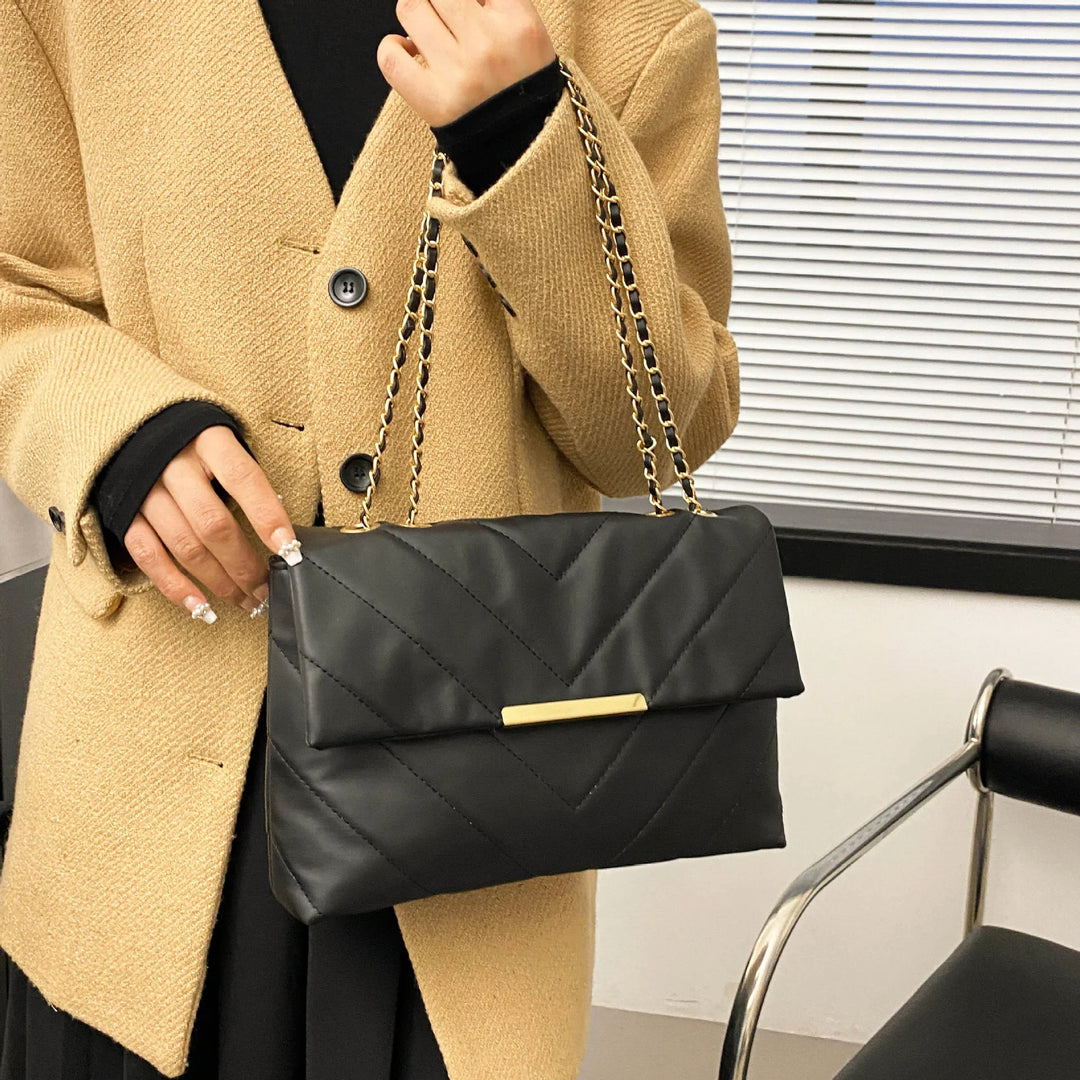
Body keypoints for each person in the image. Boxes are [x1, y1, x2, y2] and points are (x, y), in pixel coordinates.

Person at [0, 0, 741, 1077]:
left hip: (469, 832)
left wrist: (531, 139)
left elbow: (661, 431)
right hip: (142, 799)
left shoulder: (625, 19)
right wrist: (110, 433)